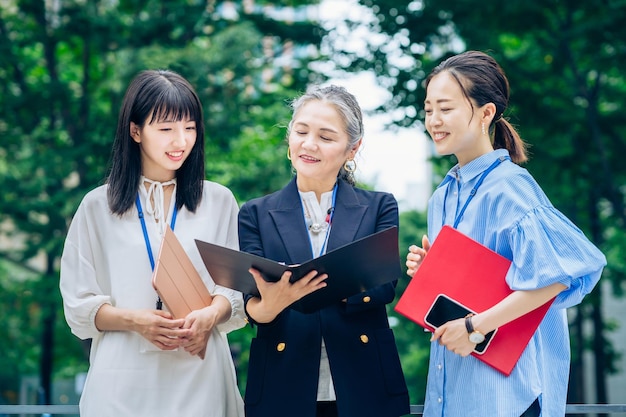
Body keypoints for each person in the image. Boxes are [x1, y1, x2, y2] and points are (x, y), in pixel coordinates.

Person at [405, 50, 607, 417]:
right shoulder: (442, 197)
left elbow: (559, 276)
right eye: (428, 108)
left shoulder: (510, 187)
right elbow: (473, 288)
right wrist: (429, 274)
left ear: (486, 113)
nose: (434, 120)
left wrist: (474, 326)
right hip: (456, 389)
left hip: (506, 396)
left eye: (446, 108)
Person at [59, 70, 246, 416]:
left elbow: (236, 292)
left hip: (200, 373)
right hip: (120, 379)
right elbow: (78, 306)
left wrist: (209, 316)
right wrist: (135, 320)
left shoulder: (219, 201)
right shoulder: (97, 206)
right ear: (135, 131)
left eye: (189, 128)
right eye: (166, 129)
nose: (181, 141)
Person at [238, 85, 410, 417]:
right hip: (281, 379)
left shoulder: (379, 206)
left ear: (352, 148)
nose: (309, 144)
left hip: (364, 379)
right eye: (301, 131)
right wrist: (272, 303)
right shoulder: (254, 212)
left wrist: (314, 288)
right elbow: (252, 306)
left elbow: (385, 285)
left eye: (326, 137)